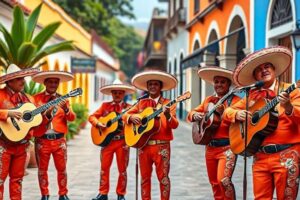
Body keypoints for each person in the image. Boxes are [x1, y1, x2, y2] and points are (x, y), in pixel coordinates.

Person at [223, 46, 300, 199]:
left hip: (286, 155)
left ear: (274, 70)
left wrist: (288, 107)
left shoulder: (292, 91)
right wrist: (236, 113)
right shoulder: (252, 96)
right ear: (255, 76)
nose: (264, 70)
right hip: (259, 156)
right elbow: (227, 112)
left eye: (267, 66)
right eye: (259, 69)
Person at [123, 70, 179, 200]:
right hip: (143, 145)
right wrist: (131, 117)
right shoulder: (141, 103)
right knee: (144, 179)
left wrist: (168, 115)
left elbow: (175, 125)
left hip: (162, 147)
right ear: (147, 87)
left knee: (163, 178)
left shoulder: (169, 103)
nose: (152, 86)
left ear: (160, 87)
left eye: (155, 84)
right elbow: (125, 114)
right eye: (150, 84)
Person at [187, 66, 240, 200]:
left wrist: (226, 113)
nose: (219, 85)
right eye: (216, 82)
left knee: (224, 180)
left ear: (229, 84)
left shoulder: (236, 101)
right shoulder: (208, 100)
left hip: (227, 147)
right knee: (214, 183)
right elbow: (191, 113)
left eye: (223, 82)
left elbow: (238, 119)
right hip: (210, 147)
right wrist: (196, 115)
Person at [32, 71, 75, 200]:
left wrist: (66, 109)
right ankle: (44, 194)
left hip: (59, 141)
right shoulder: (36, 99)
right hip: (42, 140)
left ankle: (63, 194)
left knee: (62, 169)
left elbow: (72, 118)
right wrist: (47, 115)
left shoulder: (64, 99)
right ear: (45, 83)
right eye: (50, 82)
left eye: (55, 82)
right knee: (42, 170)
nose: (53, 84)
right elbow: (33, 119)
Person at [89, 79, 136, 200]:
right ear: (111, 93)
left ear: (124, 93)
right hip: (107, 142)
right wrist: (98, 123)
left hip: (122, 142)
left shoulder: (130, 108)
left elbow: (137, 121)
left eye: (120, 93)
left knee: (122, 169)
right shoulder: (105, 106)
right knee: (104, 168)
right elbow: (92, 116)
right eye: (114, 92)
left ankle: (121, 194)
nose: (117, 95)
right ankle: (103, 193)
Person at [0, 64, 39, 199]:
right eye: (19, 79)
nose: (23, 81)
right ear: (9, 81)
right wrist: (7, 113)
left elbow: (32, 123)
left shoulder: (27, 99)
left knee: (17, 180)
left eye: (24, 78)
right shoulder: (0, 95)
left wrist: (47, 113)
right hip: (3, 145)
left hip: (22, 146)